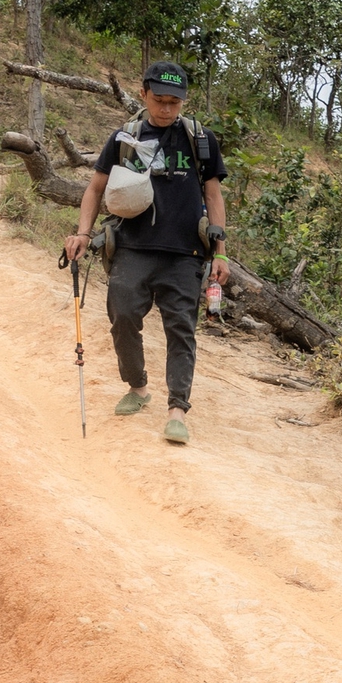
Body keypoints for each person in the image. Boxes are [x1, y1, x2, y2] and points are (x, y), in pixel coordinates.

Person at [66, 63, 228, 446]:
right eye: (159, 100)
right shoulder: (126, 137)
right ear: (144, 94)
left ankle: (177, 410)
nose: (167, 109)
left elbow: (214, 196)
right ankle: (138, 387)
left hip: (186, 253)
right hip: (133, 247)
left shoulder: (200, 140)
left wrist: (221, 254)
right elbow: (94, 189)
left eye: (175, 102)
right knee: (122, 318)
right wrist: (83, 233)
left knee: (181, 331)